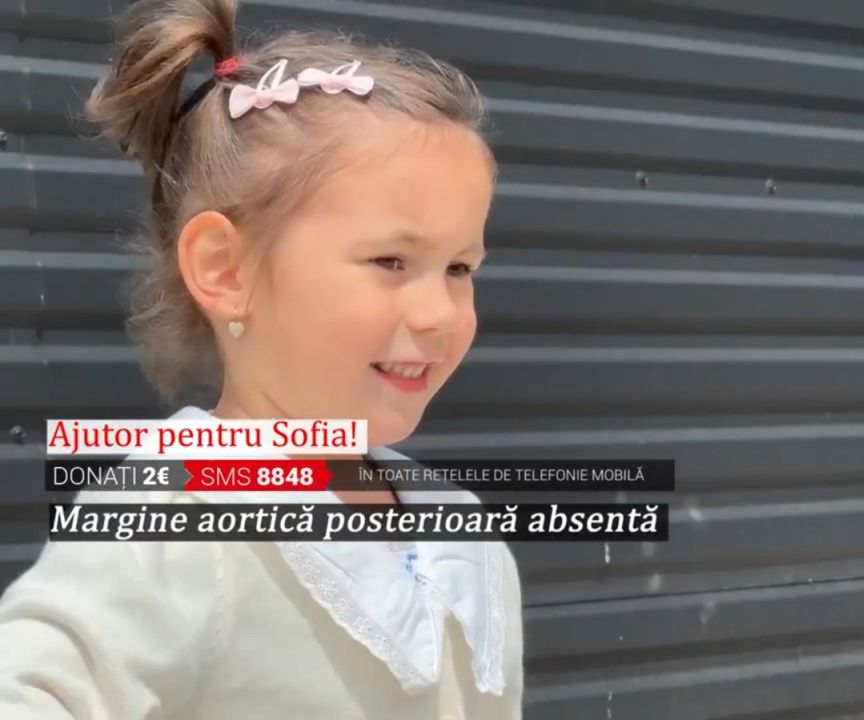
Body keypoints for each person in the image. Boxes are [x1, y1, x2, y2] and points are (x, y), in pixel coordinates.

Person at [0, 0, 523, 717]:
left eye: (460, 268)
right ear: (225, 270)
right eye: (391, 260)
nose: (439, 312)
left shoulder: (458, 530)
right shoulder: (176, 512)